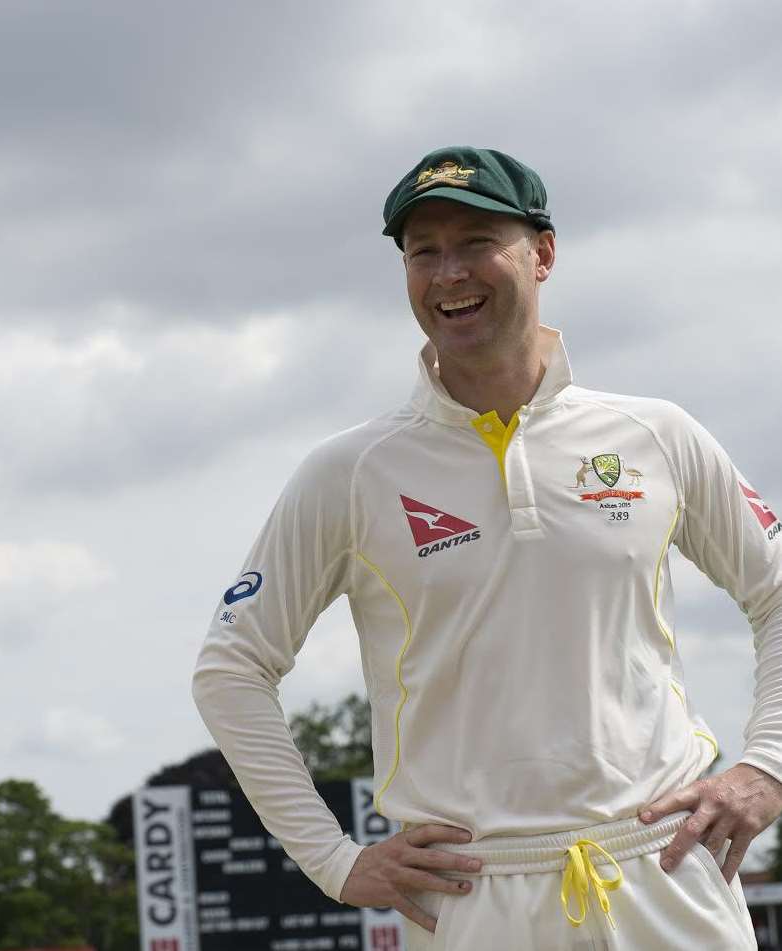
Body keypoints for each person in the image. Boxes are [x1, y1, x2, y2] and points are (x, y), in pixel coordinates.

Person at [192, 146, 782, 949]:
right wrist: (333, 858)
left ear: (541, 252)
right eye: (422, 251)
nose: (447, 273)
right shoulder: (352, 471)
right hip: (474, 897)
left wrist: (767, 766)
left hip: (666, 871)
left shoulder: (655, 433)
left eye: (475, 241)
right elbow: (232, 668)